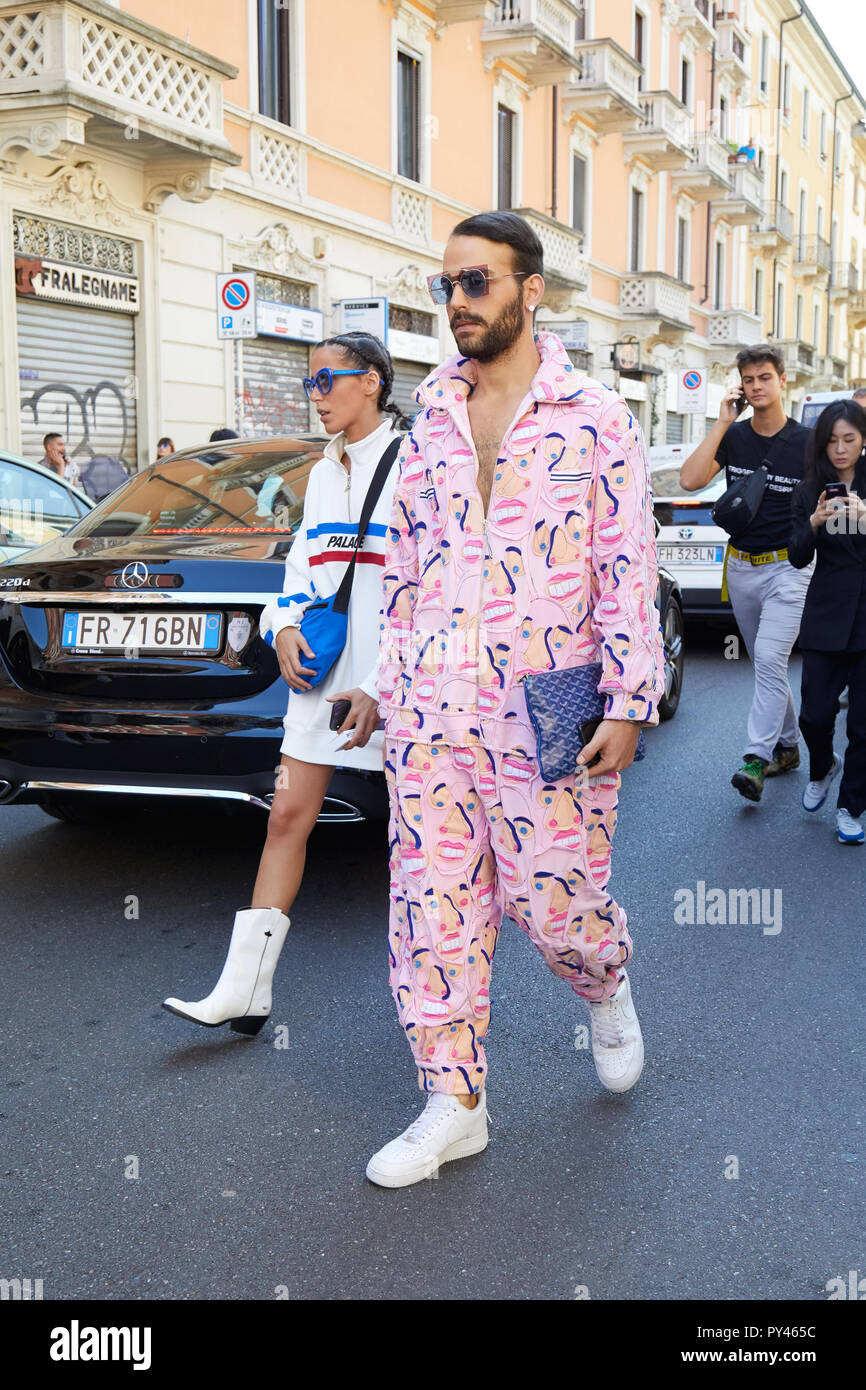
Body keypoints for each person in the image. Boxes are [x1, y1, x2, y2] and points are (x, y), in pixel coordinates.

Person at [364, 211, 664, 1189]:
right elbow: (402, 558)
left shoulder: (593, 417)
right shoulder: (431, 415)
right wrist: (388, 681)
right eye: (445, 284)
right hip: (432, 703)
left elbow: (625, 567)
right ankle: (455, 1101)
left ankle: (603, 979)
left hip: (553, 699)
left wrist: (627, 698)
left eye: (476, 282)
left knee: (554, 900)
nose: (456, 301)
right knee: (432, 905)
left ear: (529, 290)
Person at [162, 333, 406, 1032]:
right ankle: (245, 991)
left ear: (373, 382)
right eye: (311, 382)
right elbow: (302, 570)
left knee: (422, 845)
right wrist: (286, 629)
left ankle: (439, 1014)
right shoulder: (324, 471)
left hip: (402, 681)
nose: (317, 393)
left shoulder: (418, 463)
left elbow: (435, 587)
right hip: (326, 678)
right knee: (286, 816)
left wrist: (386, 682)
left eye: (329, 379)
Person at [680, 345, 812, 802]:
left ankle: (756, 758)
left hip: (789, 568)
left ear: (782, 380)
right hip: (740, 566)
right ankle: (790, 747)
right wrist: (720, 422)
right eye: (749, 380)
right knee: (764, 664)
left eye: (765, 378)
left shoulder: (807, 442)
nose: (757, 387)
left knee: (771, 660)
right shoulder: (733, 437)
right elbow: (690, 480)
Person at [789, 400, 866, 844]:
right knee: (815, 715)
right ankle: (822, 766)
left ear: (862, 441)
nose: (840, 449)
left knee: (863, 725)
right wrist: (815, 523)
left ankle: (850, 807)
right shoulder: (809, 490)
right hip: (826, 611)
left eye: (849, 440)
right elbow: (797, 556)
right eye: (832, 440)